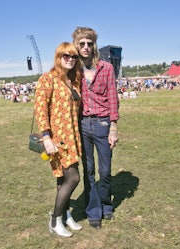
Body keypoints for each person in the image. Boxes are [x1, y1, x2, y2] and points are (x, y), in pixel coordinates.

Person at [72, 27, 119, 229]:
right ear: (76, 45)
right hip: (82, 124)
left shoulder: (106, 68)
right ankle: (93, 211)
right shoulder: (73, 70)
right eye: (82, 43)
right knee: (88, 170)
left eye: (89, 43)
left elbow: (113, 98)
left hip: (102, 124)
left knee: (105, 170)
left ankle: (106, 205)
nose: (86, 47)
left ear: (94, 45)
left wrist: (114, 127)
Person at [34, 42, 83, 238]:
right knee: (73, 177)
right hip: (57, 139)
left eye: (73, 56)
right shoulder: (48, 79)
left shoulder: (73, 81)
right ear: (58, 57)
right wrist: (46, 136)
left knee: (62, 179)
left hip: (73, 136)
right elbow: (40, 108)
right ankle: (55, 220)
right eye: (66, 56)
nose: (70, 59)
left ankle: (65, 214)